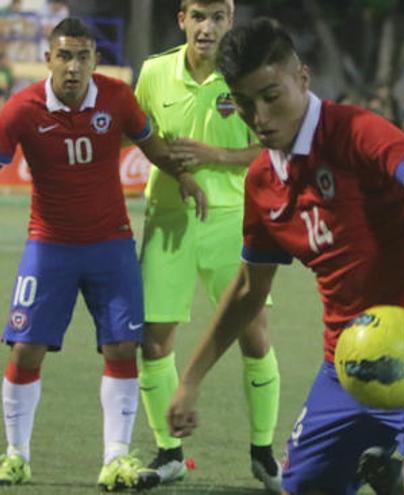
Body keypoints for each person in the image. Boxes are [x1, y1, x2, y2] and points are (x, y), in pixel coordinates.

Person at [165, 18, 404, 495]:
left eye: (272, 96)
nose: (261, 117)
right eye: (246, 104)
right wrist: (191, 379)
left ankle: (401, 476)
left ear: (302, 78)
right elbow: (250, 290)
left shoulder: (354, 130)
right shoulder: (263, 185)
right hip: (346, 371)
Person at [0, 18, 205, 490]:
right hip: (48, 245)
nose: (74, 67)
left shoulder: (117, 99)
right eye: (65, 56)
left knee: (121, 347)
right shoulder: (21, 109)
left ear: (96, 60)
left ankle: (115, 458)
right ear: (49, 59)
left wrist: (186, 177)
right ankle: (16, 455)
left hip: (110, 244)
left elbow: (152, 146)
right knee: (26, 348)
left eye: (83, 57)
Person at [133, 0, 281, 489]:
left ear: (230, 21)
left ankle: (264, 451)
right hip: (169, 220)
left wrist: (214, 154)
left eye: (217, 17)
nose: (207, 27)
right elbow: (138, 134)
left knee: (254, 333)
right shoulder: (155, 73)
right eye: (198, 16)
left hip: (232, 223)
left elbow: (271, 143)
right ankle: (169, 452)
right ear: (182, 20)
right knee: (154, 340)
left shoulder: (246, 77)